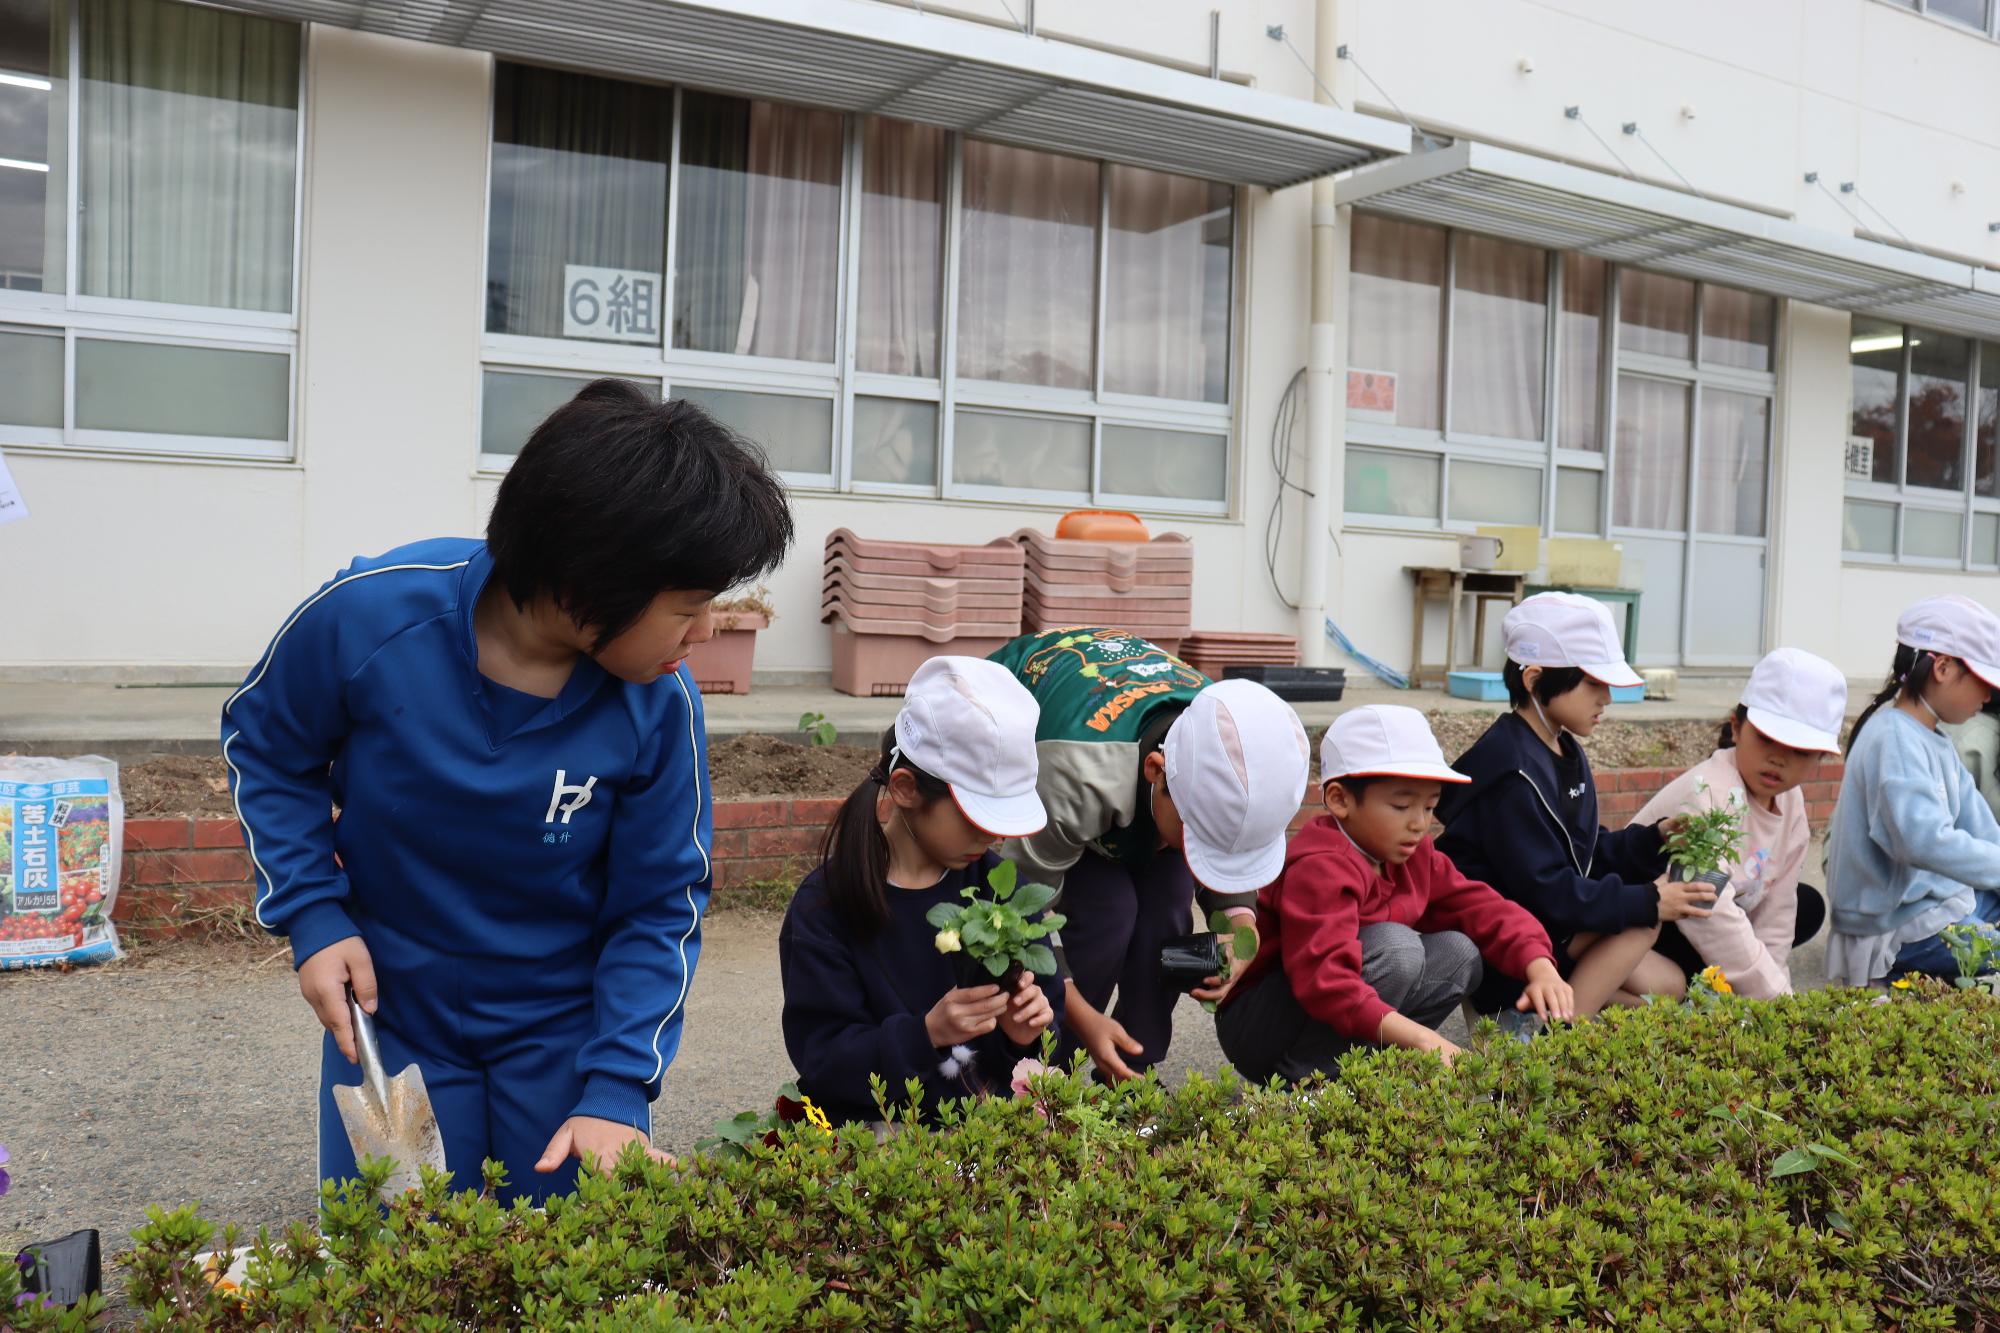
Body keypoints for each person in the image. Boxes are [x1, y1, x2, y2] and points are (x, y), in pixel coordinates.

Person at [222, 381, 794, 1202]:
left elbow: (660, 901)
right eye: (690, 608)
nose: (705, 634)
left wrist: (616, 1088)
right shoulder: (372, 619)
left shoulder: (659, 701)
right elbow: (265, 744)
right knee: (401, 1264)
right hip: (393, 1026)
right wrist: (312, 912)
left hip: (564, 1042)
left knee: (561, 1271)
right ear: (588, 584)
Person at [988, 628, 1311, 1081]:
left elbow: (1225, 846)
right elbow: (1021, 909)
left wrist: (1241, 928)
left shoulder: (1230, 736)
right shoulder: (1076, 772)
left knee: (1164, 913)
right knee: (1107, 915)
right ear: (1158, 770)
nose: (1202, 853)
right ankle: (1048, 1069)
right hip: (1046, 743)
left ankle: (1132, 1070)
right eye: (1198, 837)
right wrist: (1083, 1019)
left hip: (1134, 790)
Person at [1217, 706, 1572, 1081]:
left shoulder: (1413, 855)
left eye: (1430, 806)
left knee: (1459, 953)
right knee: (1397, 948)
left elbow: (1480, 906)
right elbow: (1325, 980)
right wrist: (1422, 1039)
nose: (1419, 823)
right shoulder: (1321, 865)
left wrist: (1539, 964)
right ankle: (1306, 1084)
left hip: (1327, 1006)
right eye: (1401, 806)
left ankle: (1368, 1071)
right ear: (1340, 800)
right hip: (1258, 1024)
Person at [779, 657, 1061, 1124]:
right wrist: (924, 1034)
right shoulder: (826, 906)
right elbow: (823, 1057)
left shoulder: (1003, 895)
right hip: (874, 1138)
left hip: (986, 1133)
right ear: (906, 789)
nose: (995, 838)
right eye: (978, 819)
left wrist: (1023, 1034)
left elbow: (1050, 1032)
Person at [1438, 593, 1712, 1015]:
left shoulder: (1561, 745)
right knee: (1645, 921)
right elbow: (1547, 888)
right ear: (1533, 679)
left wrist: (1652, 840)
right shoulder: (1511, 775)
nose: (1606, 699)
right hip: (1514, 948)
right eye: (1592, 683)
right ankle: (1553, 1043)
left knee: (1668, 985)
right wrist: (1649, 900)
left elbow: (1582, 853)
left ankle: (1560, 1016)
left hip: (1555, 924)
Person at [1631, 648, 1843, 998]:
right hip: (1646, 923)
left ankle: (1717, 982)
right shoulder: (1712, 792)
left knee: (1804, 905)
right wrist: (1771, 997)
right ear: (1737, 728)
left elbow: (1777, 910)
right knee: (1680, 982)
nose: (1778, 758)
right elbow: (1704, 908)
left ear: (1821, 757)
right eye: (1767, 739)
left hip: (1712, 911)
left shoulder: (1791, 801)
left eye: (1800, 750)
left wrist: (1778, 992)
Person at [1827, 595, 2000, 986]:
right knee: (1991, 949)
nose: (1988, 697)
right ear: (1942, 667)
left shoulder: (1930, 736)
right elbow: (1922, 842)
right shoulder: (1894, 738)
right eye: (1983, 684)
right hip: (1893, 926)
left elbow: (1981, 826)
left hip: (1928, 904)